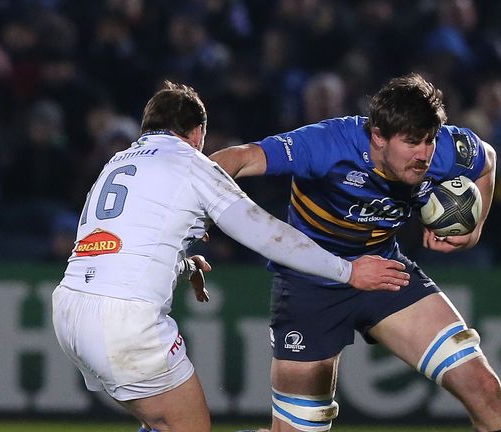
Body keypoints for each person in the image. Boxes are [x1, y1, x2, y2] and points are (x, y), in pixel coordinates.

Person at [51, 81, 410, 432]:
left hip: (69, 311)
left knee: (161, 422)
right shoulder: (191, 164)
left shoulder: (116, 163)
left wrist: (184, 265)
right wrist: (347, 271)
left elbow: (118, 246)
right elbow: (267, 234)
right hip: (123, 319)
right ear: (197, 133)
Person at [210, 73, 501, 432]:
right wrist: (194, 208)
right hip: (310, 286)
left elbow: (488, 160)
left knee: (482, 387)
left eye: (429, 141)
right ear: (377, 135)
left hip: (384, 273)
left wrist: (474, 230)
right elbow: (239, 158)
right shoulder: (326, 144)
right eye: (411, 143)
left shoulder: (443, 150)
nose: (423, 155)